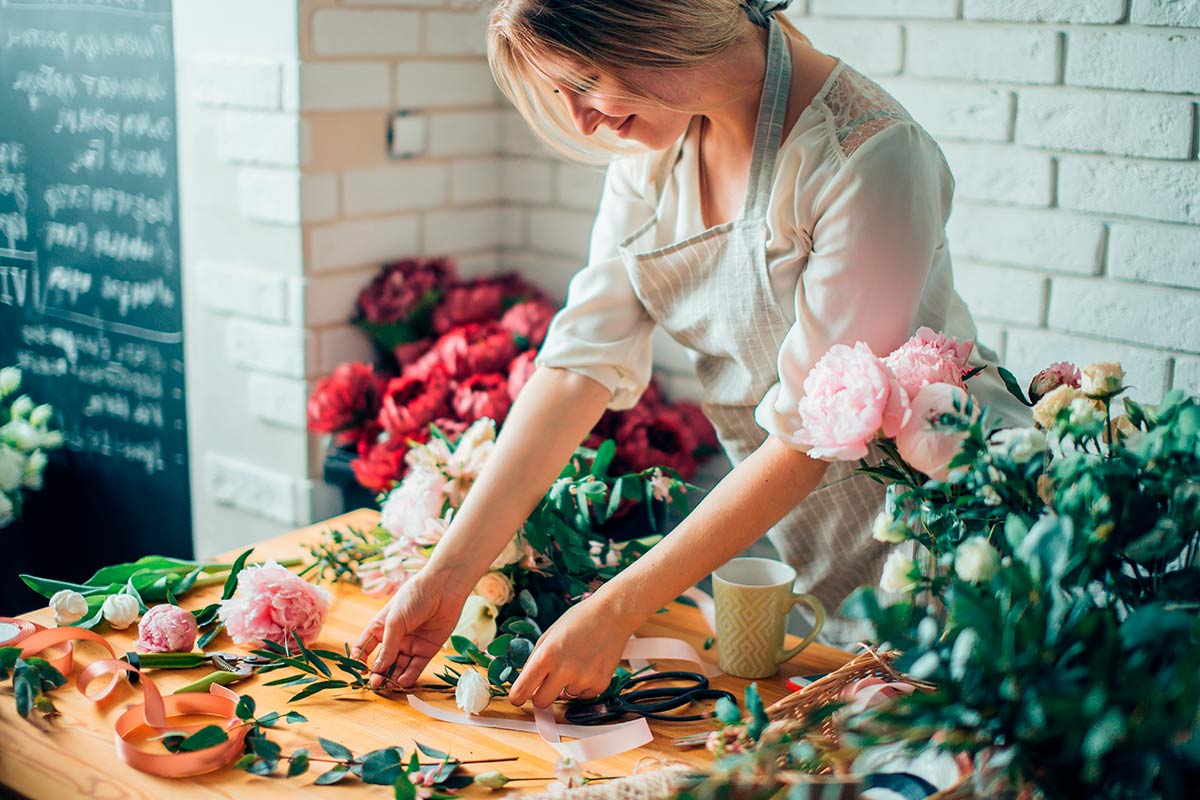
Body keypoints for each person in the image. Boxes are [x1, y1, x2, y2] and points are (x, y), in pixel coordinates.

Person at [354, 0, 1027, 709]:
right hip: (816, 540)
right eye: (562, 94)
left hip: (949, 530)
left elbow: (809, 437)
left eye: (586, 80)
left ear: (655, 21)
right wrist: (449, 573)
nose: (582, 120)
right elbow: (578, 364)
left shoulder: (870, 155)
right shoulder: (652, 154)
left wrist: (617, 610)